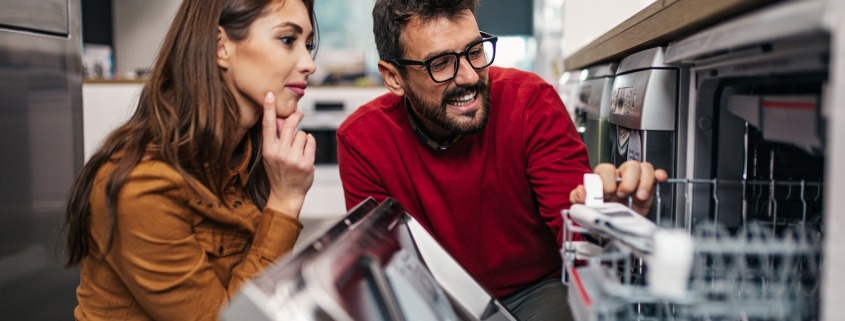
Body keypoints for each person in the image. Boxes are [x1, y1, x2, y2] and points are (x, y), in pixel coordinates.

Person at [336, 0, 667, 320]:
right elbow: (381, 267)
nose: (468, 77)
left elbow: (575, 227)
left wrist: (605, 222)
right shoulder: (362, 140)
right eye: (440, 64)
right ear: (393, 77)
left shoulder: (530, 102)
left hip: (534, 291)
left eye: (475, 52)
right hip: (434, 299)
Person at [62, 0, 319, 319]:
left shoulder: (247, 157)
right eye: (287, 40)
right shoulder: (144, 184)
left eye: (307, 45)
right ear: (220, 46)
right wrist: (285, 200)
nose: (309, 63)